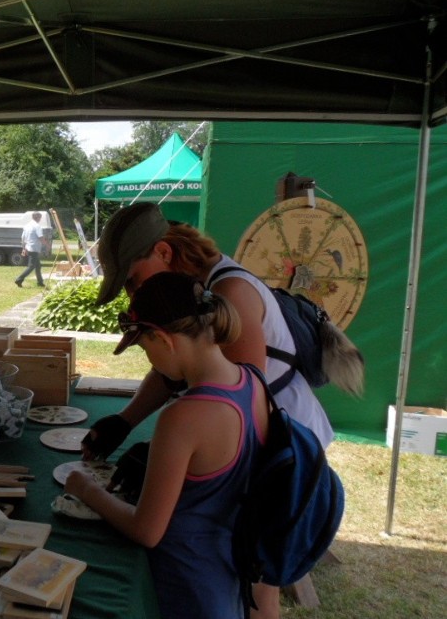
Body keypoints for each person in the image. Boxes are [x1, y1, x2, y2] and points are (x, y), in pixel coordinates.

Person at [82, 202, 333, 619]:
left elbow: (227, 385)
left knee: (259, 581)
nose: (132, 293)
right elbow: (184, 369)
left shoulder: (229, 292)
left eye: (132, 279)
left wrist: (174, 446)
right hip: (240, 439)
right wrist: (125, 422)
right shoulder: (189, 304)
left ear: (163, 253)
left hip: (275, 449)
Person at [65, 271, 269, 619]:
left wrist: (87, 490)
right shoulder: (253, 381)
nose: (149, 361)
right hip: (227, 578)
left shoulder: (183, 416)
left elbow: (147, 531)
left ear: (163, 338)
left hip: (183, 589)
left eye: (144, 347)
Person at [14, 211, 45, 288]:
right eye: (40, 218)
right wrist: (47, 245)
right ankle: (19, 279)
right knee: (31, 266)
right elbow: (40, 237)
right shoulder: (37, 226)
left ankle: (40, 282)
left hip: (29, 247)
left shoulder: (27, 226)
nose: (40, 219)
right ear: (37, 218)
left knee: (38, 266)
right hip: (34, 248)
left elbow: (23, 238)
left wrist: (24, 248)